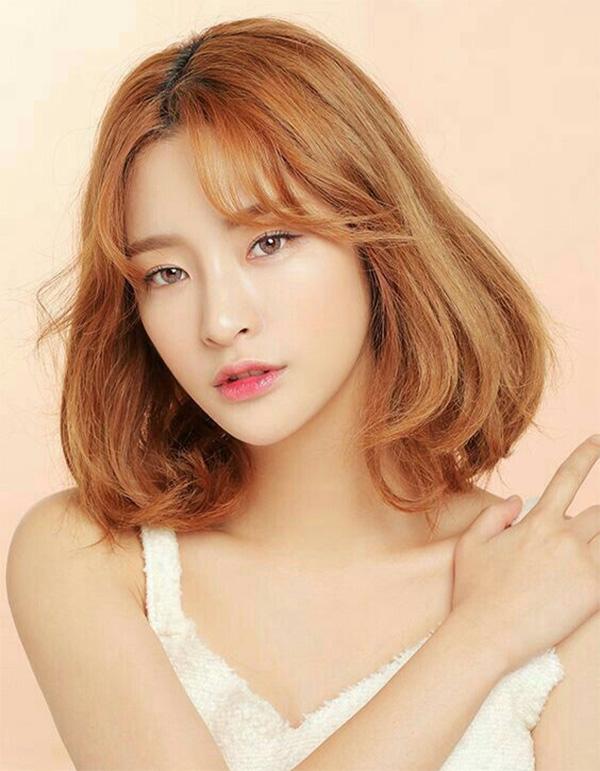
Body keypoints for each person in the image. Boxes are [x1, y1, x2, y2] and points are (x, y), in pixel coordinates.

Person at [6, 15, 599, 771]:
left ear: (375, 240)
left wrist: (514, 613)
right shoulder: (91, 558)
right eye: (166, 273)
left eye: (269, 241)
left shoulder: (557, 583)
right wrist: (481, 636)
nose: (220, 321)